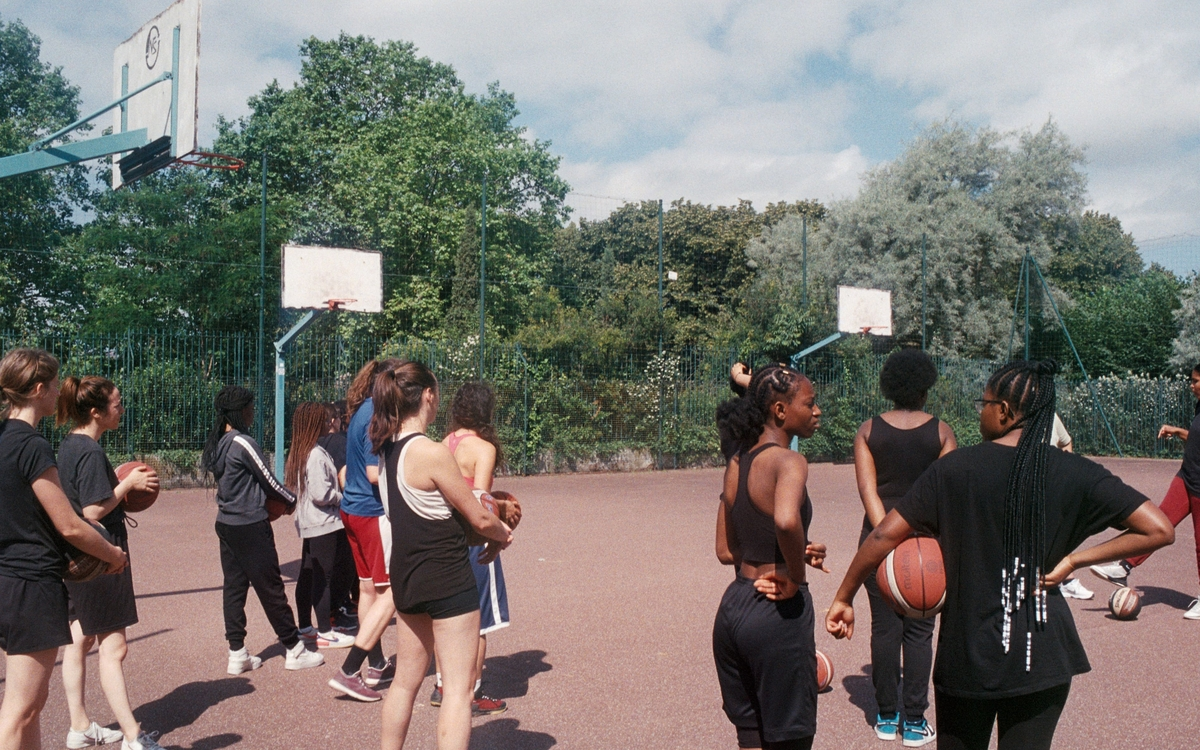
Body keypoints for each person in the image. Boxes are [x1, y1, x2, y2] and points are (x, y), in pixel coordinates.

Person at [826, 359, 1174, 750]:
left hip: (969, 652)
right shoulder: (1077, 471)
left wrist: (844, 595)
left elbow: (882, 535)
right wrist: (1076, 560)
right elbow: (1159, 529)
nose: (980, 410)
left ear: (1005, 412)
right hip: (1042, 651)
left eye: (984, 403)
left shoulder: (955, 469)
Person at [369, 362, 512, 750]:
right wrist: (502, 532)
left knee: (405, 683)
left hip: (407, 574)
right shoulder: (430, 452)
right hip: (446, 576)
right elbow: (478, 515)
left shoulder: (386, 453)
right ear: (428, 396)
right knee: (457, 690)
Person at [0, 349, 127, 750]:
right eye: (54, 385)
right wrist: (112, 555)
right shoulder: (31, 445)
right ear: (38, 389)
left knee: (32, 706)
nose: (58, 393)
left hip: (7, 579)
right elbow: (70, 524)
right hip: (30, 583)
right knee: (20, 708)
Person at [713, 364, 826, 750]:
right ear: (780, 410)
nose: (817, 411)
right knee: (789, 740)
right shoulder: (789, 461)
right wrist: (795, 574)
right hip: (776, 614)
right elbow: (784, 519)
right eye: (809, 403)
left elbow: (726, 550)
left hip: (734, 609)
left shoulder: (738, 459)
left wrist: (796, 551)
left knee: (752, 737)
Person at [852, 348, 955, 746]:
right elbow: (945, 495)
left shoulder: (867, 430)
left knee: (883, 628)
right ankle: (914, 721)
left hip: (877, 543)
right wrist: (913, 538)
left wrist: (886, 539)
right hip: (927, 544)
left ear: (889, 387)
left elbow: (868, 491)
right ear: (926, 387)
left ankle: (885, 717)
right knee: (920, 633)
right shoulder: (943, 432)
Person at [56, 376, 164, 750]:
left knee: (79, 640)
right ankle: (134, 737)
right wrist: (127, 484)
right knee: (114, 648)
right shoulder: (88, 452)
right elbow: (92, 510)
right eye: (117, 404)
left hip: (77, 559)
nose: (122, 409)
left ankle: (79, 726)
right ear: (96, 412)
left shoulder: (69, 445)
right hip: (101, 554)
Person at [201, 385, 323, 674]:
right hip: (249, 526)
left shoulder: (219, 442)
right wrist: (291, 500)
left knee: (234, 588)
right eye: (251, 408)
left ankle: (237, 653)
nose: (253, 413)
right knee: (271, 589)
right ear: (241, 411)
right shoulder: (243, 442)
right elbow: (268, 479)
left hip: (227, 524)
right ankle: (294, 649)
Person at [1091, 362, 1200, 618]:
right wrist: (1179, 431)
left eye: (1195, 381)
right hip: (1186, 477)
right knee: (1158, 523)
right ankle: (1124, 566)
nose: (1191, 385)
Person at [428, 382, 510, 716]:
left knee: (449, 617)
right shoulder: (483, 448)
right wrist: (500, 530)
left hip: (445, 539)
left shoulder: (444, 443)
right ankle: (472, 693)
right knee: (479, 623)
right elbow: (482, 501)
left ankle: (442, 684)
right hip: (474, 540)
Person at [328, 360, 398, 701]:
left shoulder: (361, 410)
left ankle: (378, 662)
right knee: (389, 594)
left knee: (368, 591)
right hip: (371, 512)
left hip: (352, 510)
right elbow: (375, 473)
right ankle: (350, 669)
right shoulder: (377, 415)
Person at [286, 402, 355, 649]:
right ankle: (325, 630)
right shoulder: (314, 454)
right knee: (323, 579)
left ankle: (305, 626)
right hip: (324, 523)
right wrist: (343, 498)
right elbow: (321, 493)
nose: (330, 423)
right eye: (324, 421)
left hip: (311, 523)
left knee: (307, 575)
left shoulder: (302, 451)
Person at [1048, 415, 1094, 601]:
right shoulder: (1017, 415)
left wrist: (1065, 471)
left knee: (1059, 530)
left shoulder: (1050, 415)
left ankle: (1067, 581)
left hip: (1051, 481)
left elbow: (1066, 442)